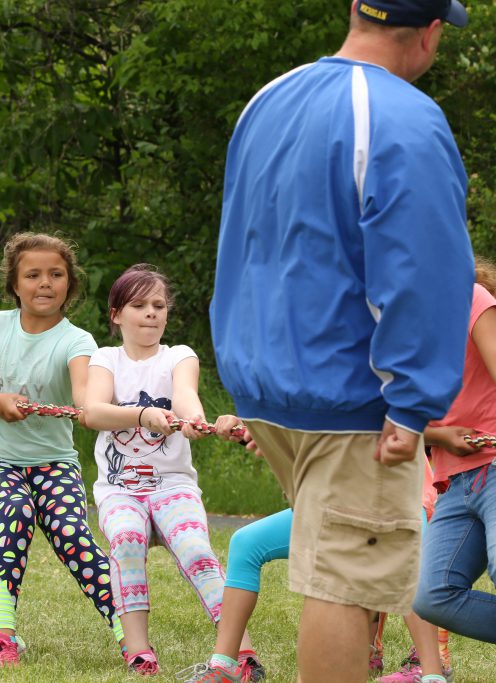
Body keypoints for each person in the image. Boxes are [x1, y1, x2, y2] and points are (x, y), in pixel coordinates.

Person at [209, 1, 474, 681]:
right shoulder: (407, 117)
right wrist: (413, 399)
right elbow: (423, 268)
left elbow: (244, 239)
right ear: (430, 32)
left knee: (334, 562)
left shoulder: (268, 98)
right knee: (346, 583)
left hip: (265, 380)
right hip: (353, 392)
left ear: (356, 10)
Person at [0, 232, 124, 667]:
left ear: (70, 284)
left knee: (73, 535)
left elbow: (84, 394)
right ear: (14, 284)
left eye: (56, 274)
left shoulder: (78, 341)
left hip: (54, 464)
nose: (45, 283)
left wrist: (94, 409)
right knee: (17, 513)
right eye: (33, 274)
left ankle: (129, 636)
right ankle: (2, 637)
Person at [81, 265, 262, 679]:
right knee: (126, 542)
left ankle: (241, 651)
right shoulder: (105, 359)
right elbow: (93, 411)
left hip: (173, 485)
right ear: (116, 315)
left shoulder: (179, 355)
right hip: (119, 490)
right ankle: (139, 651)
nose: (150, 313)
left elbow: (185, 395)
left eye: (158, 305)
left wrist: (194, 420)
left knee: (197, 549)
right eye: (139, 305)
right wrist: (143, 414)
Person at [194, 416, 450, 683]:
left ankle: (432, 674)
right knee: (246, 543)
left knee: (404, 559)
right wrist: (250, 423)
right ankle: (224, 665)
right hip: (332, 497)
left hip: (397, 491)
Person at [413, 258, 496, 647]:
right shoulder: (400, 332)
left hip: (494, 463)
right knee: (433, 596)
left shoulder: (471, 299)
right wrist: (442, 437)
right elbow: (393, 416)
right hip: (453, 481)